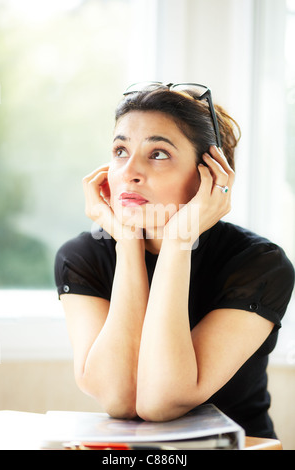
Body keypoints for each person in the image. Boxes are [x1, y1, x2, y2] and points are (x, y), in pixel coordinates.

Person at [54, 82, 294, 439]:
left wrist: (179, 240)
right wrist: (128, 242)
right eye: (120, 150)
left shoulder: (259, 264)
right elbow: (119, 398)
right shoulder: (82, 255)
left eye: (158, 154)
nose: (130, 171)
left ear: (210, 175)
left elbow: (161, 401)